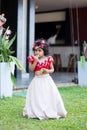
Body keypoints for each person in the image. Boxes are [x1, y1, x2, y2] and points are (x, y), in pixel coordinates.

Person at [23, 38, 67, 120]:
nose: (37, 52)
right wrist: (35, 61)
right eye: (35, 50)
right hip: (37, 81)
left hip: (47, 80)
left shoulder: (48, 59)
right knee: (37, 96)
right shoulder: (32, 59)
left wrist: (47, 70)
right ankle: (37, 110)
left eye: (39, 50)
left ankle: (48, 109)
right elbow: (32, 69)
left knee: (48, 95)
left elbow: (52, 69)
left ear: (44, 50)